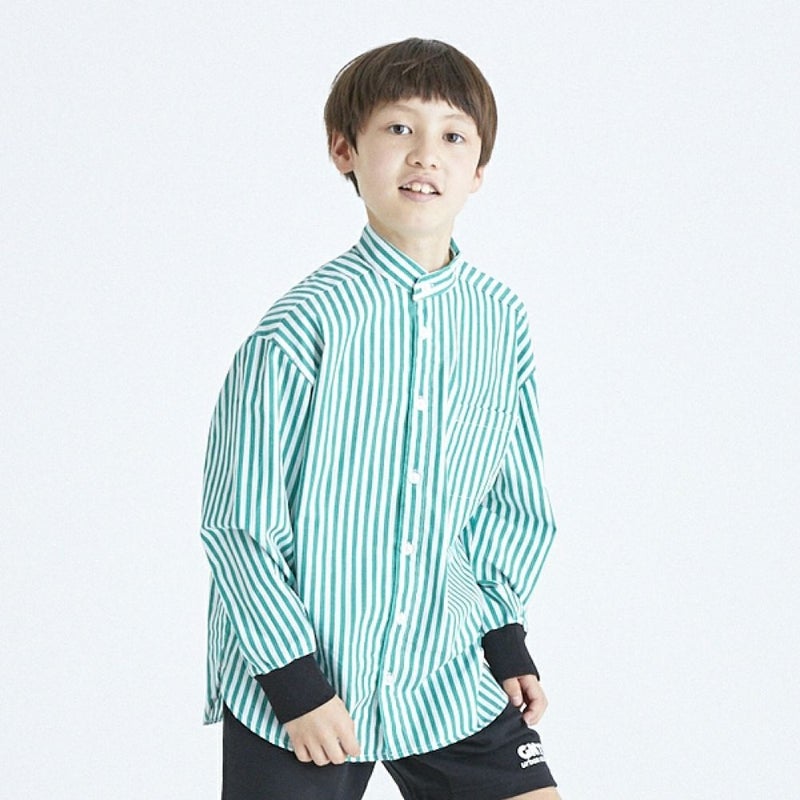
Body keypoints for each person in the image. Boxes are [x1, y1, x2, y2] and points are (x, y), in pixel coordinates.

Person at [200, 37, 561, 800]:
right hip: (306, 683)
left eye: (453, 136)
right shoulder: (302, 328)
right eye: (399, 128)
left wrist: (504, 639)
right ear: (345, 150)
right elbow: (238, 522)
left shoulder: (501, 322)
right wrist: (295, 684)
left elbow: (508, 500)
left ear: (480, 170)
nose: (426, 153)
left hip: (444, 671)